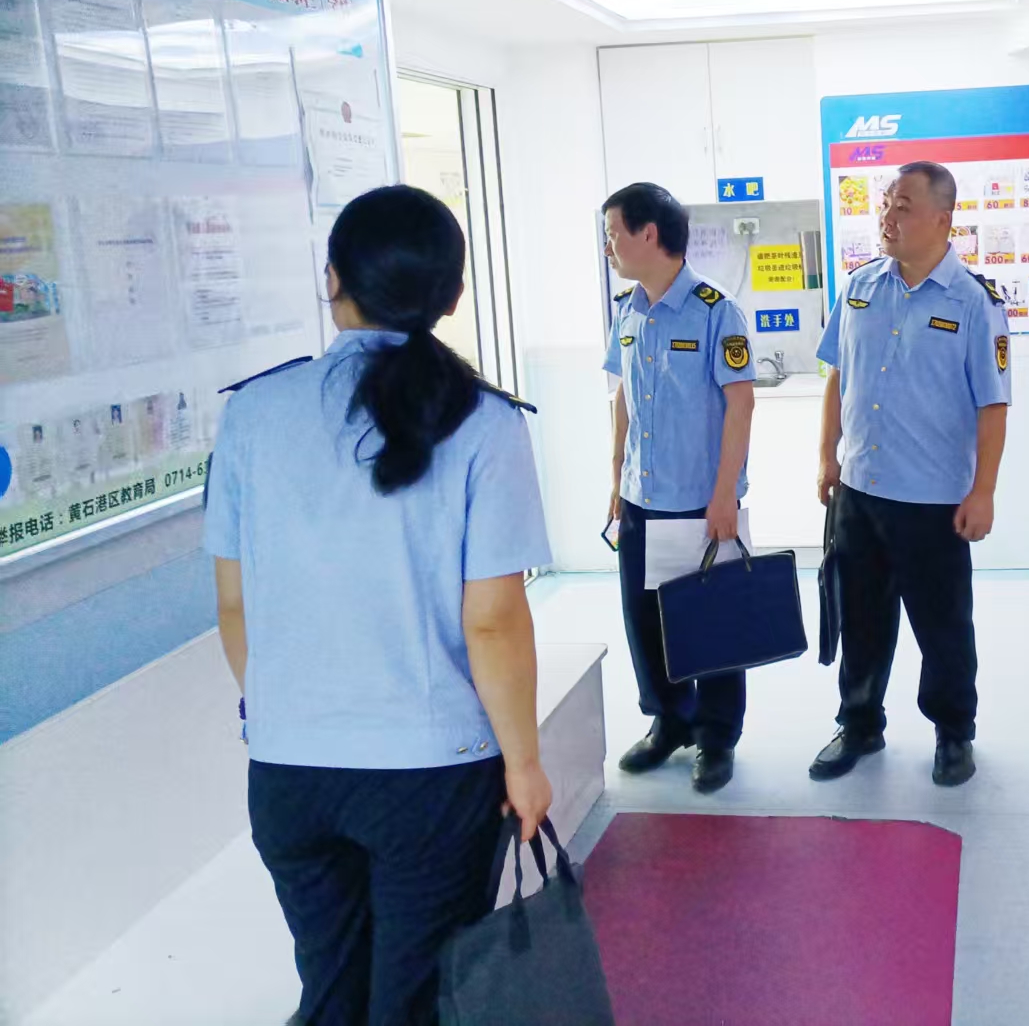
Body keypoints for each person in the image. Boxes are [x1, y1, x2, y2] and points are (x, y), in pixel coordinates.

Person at [204, 184, 555, 1025]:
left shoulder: (253, 412)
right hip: (429, 775)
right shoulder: (485, 422)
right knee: (416, 997)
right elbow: (492, 620)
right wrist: (524, 762)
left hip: (289, 771)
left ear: (333, 279)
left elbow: (234, 602)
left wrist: (285, 709)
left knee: (329, 988)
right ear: (453, 295)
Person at [811, 160, 1011, 788]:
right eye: (886, 204)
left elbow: (993, 404)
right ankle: (859, 724)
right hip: (861, 489)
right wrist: (826, 454)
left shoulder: (974, 303)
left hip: (933, 500)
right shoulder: (860, 286)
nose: (887, 217)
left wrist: (984, 491)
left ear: (942, 219)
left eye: (902, 206)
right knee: (861, 619)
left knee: (942, 626)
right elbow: (838, 375)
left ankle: (953, 732)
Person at [602, 182, 756, 795]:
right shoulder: (627, 310)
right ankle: (669, 721)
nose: (609, 247)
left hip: (699, 501)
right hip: (641, 497)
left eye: (614, 234)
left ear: (649, 234)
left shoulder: (717, 310)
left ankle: (716, 737)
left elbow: (740, 404)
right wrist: (616, 477)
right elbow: (621, 394)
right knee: (645, 621)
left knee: (711, 625)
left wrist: (725, 494)